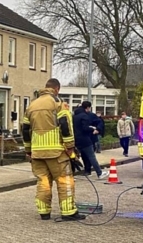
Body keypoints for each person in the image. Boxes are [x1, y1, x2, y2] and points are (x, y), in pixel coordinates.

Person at [21, 79, 84, 221]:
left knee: (43, 182)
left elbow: (25, 130)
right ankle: (68, 212)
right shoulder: (58, 104)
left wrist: (28, 150)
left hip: (37, 152)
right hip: (57, 152)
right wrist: (70, 148)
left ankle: (44, 212)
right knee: (64, 181)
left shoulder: (31, 106)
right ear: (57, 89)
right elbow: (66, 126)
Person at [73, 101, 106, 179]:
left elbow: (99, 122)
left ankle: (86, 170)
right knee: (91, 156)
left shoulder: (74, 116)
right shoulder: (84, 116)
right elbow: (85, 128)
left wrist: (98, 128)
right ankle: (99, 172)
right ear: (87, 108)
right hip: (86, 139)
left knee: (81, 156)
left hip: (77, 139)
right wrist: (92, 128)